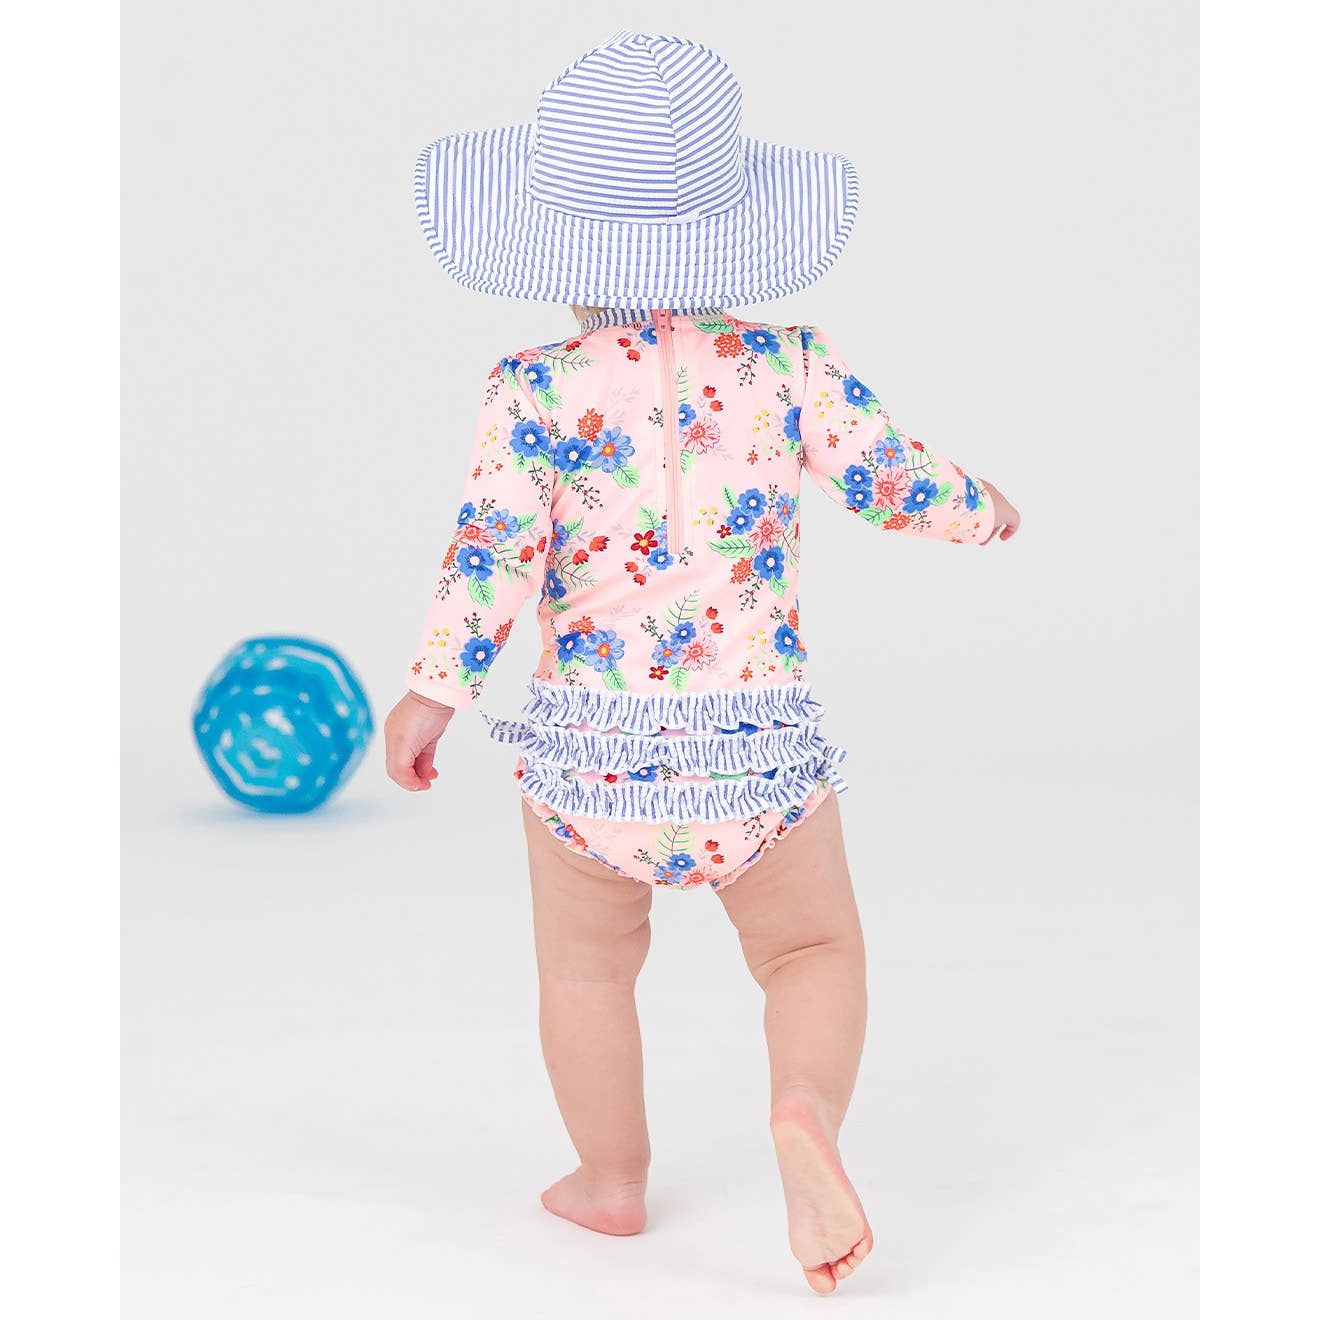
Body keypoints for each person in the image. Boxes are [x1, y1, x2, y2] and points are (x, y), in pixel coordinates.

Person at [385, 30, 1020, 1294]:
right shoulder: (790, 368)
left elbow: (491, 554)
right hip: (755, 752)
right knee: (811, 954)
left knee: (585, 971)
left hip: (591, 761)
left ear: (557, 249)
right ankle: (804, 1113)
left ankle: (609, 1179)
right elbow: (892, 479)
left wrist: (431, 693)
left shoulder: (533, 389)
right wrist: (980, 508)